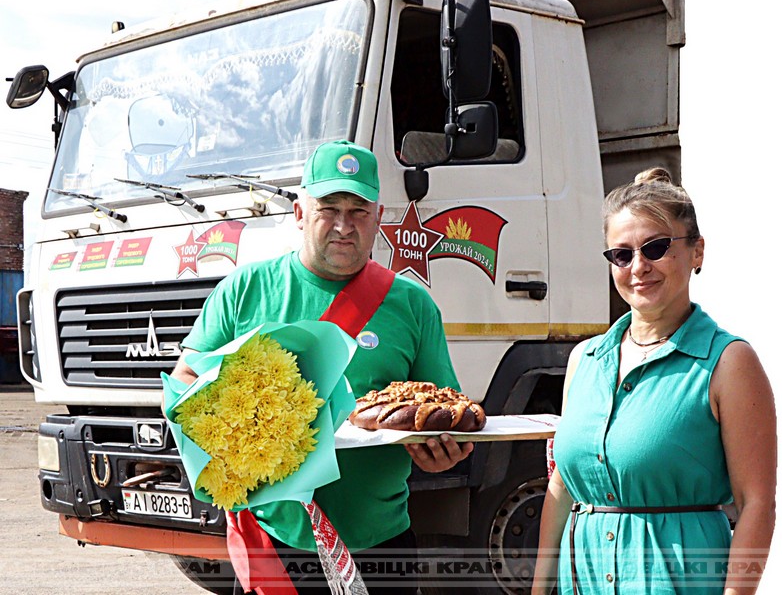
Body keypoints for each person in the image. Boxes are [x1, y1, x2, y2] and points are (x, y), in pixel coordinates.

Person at [170, 139, 473, 593]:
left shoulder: (413, 305)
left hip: (381, 547)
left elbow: (442, 409)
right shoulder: (245, 289)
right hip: (275, 546)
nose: (343, 226)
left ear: (379, 217)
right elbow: (184, 383)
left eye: (358, 211)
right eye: (328, 209)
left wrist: (447, 453)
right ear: (299, 214)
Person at [531, 168, 776, 594]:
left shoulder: (729, 362)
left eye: (656, 247)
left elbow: (757, 503)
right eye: (621, 255)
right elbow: (562, 484)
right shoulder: (583, 360)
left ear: (697, 252)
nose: (638, 267)